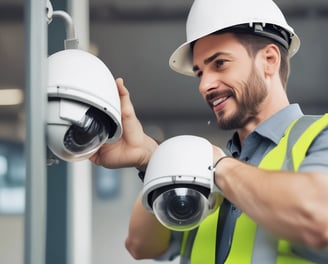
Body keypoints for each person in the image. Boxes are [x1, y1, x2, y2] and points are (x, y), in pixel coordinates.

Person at [90, 0, 328, 263]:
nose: (205, 85)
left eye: (220, 64)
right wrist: (153, 160)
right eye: (200, 72)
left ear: (269, 60)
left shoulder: (319, 135)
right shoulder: (203, 166)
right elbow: (141, 245)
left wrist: (218, 165)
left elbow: (318, 217)